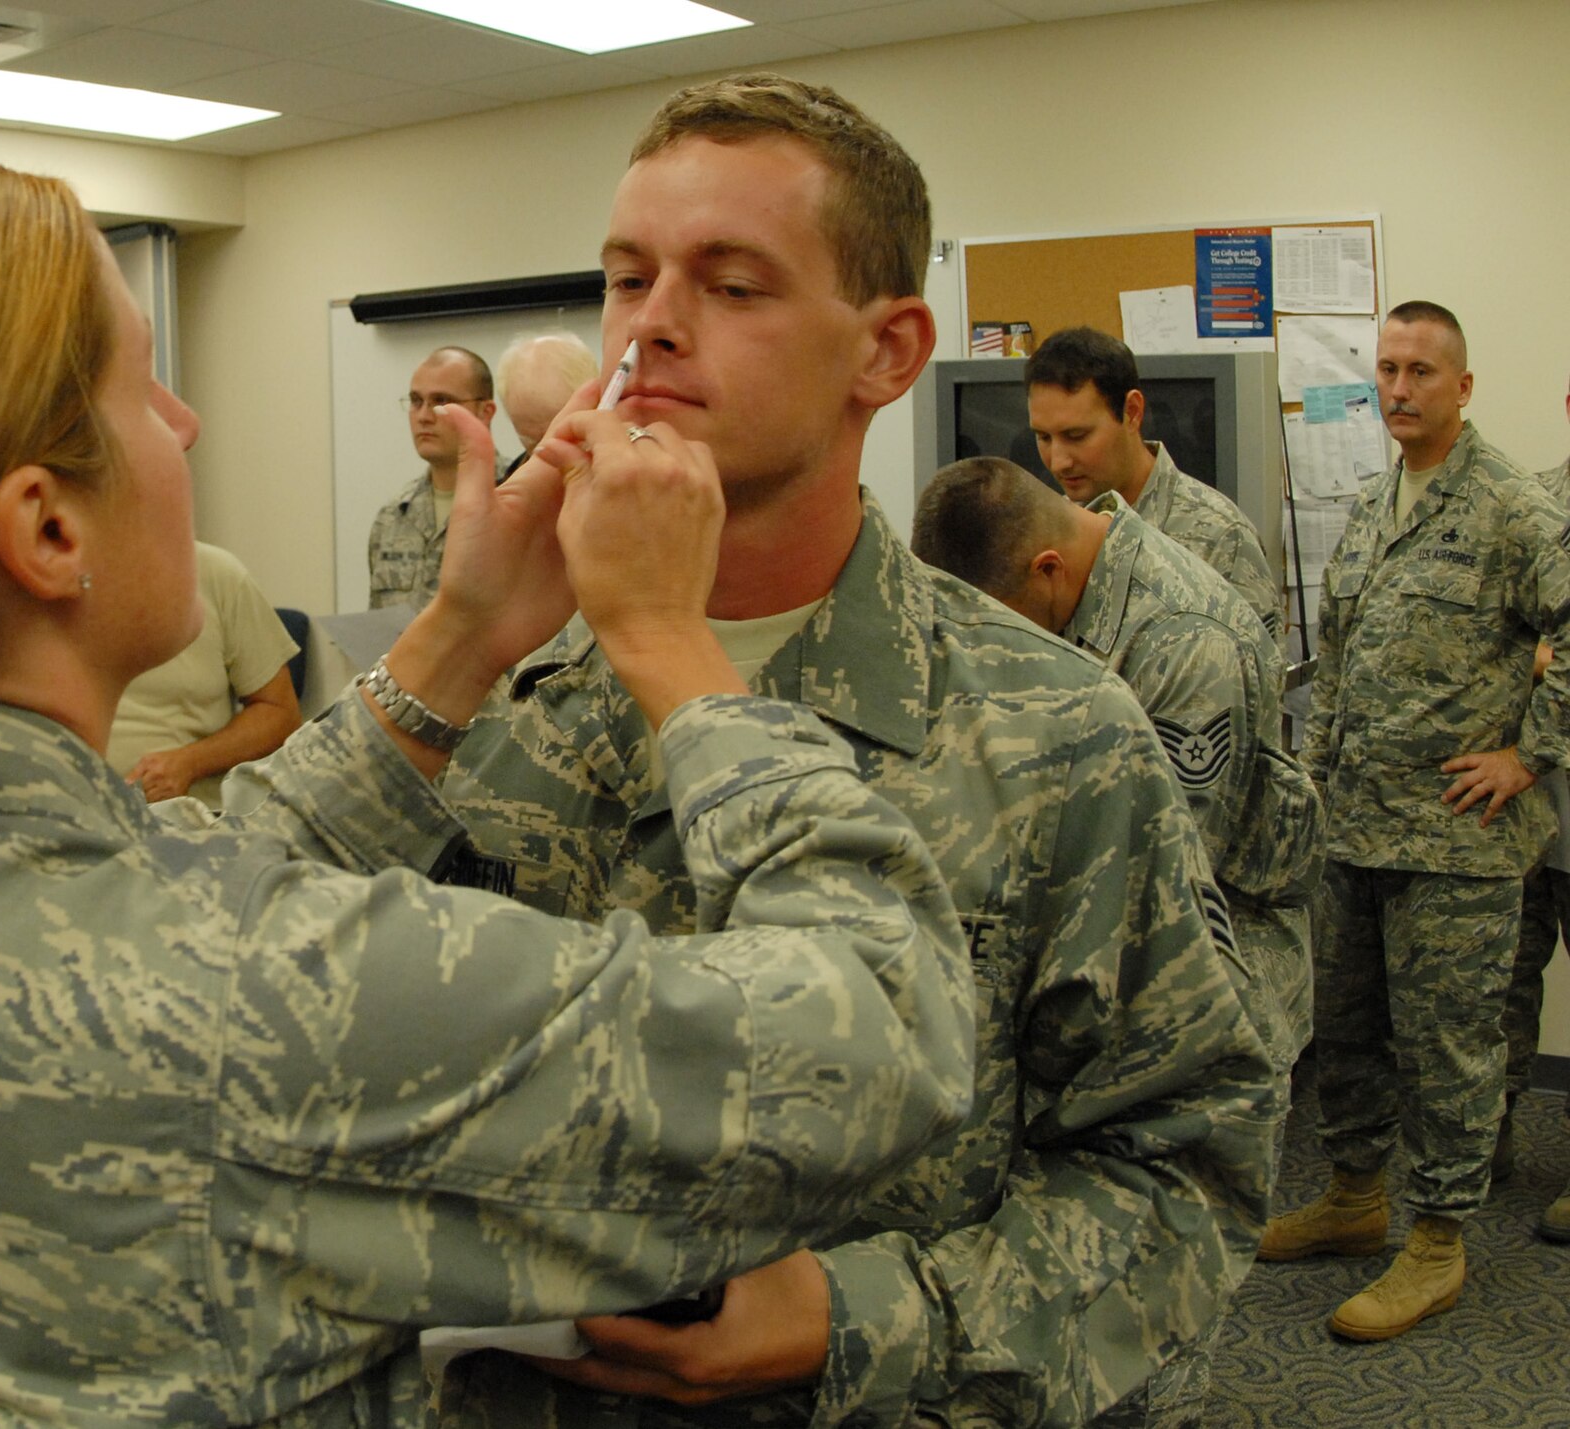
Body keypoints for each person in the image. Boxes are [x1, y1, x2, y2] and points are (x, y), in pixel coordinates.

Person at [0, 158, 978, 1427]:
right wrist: (681, 656)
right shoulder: (252, 1003)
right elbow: (883, 1029)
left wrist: (457, 641)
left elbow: (157, 900)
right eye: (144, 386)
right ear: (47, 529)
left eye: (732, 285)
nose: (186, 421)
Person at [413, 73, 1279, 1428]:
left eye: (733, 285)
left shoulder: (1058, 738)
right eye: (627, 279)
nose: (651, 327)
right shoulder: (491, 705)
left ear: (886, 351)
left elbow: (1183, 1184)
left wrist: (866, 1316)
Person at [1263, 301, 1570, 1340]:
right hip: (1352, 826)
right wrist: (1312, 772)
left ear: (1461, 387)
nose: (1397, 389)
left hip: (1453, 841)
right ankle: (1354, 1197)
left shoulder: (1510, 505)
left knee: (1447, 1045)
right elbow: (1338, 647)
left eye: (1419, 372)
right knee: (1344, 1025)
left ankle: (1436, 1238)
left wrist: (1528, 753)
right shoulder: (1372, 500)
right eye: (1386, 369)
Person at [912, 456, 1320, 1096]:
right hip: (1083, 978)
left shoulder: (1186, 640)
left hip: (1201, 991)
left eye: (1002, 622)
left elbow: (1167, 875)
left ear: (1048, 571)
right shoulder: (1067, 591)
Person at [1025, 326, 1283, 638]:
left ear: (1132, 412)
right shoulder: (1048, 533)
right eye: (1043, 437)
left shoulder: (1220, 536)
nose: (1058, 461)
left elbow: (1258, 675)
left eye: (1076, 436)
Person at [1502, 370, 1570, 1241]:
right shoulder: (1531, 507)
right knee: (1502, 981)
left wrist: (1544, 661)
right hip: (1522, 796)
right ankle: (1490, 1134)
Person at [106, 539, 300, 806]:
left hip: (184, 817)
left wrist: (189, 763)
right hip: (63, 814)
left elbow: (280, 714)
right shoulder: (42, 582)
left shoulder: (217, 574)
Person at [367, 346, 500, 610]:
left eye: (441, 402)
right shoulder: (393, 516)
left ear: (484, 412)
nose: (424, 416)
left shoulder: (516, 495)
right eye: (416, 401)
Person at [499, 332, 599, 459]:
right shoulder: (515, 475)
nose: (547, 456)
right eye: (532, 442)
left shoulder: (623, 465)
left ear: (596, 402)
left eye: (565, 439)